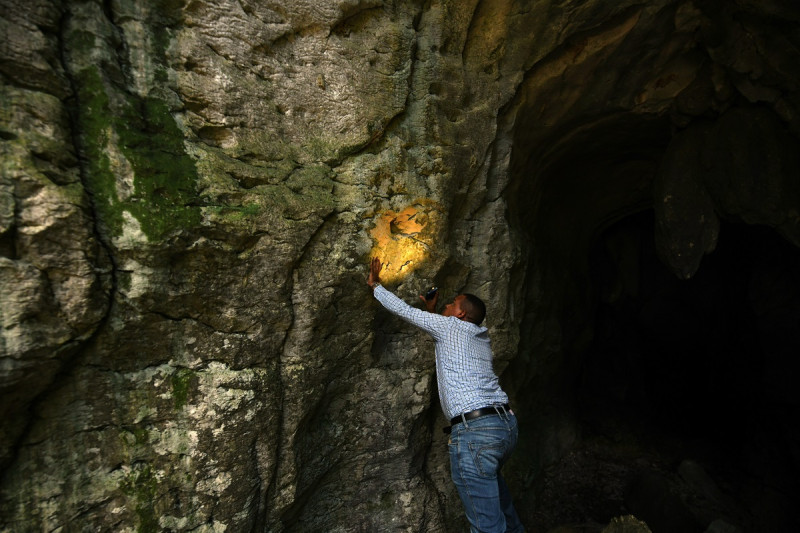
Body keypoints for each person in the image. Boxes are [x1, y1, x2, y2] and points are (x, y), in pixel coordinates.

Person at [367, 257, 524, 533]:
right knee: (504, 513)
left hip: (476, 433)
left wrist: (375, 285)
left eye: (452, 304)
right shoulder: (480, 337)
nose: (447, 305)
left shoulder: (449, 327)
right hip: (505, 427)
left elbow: (405, 311)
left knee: (488, 527)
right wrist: (436, 311)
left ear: (461, 314)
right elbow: (448, 332)